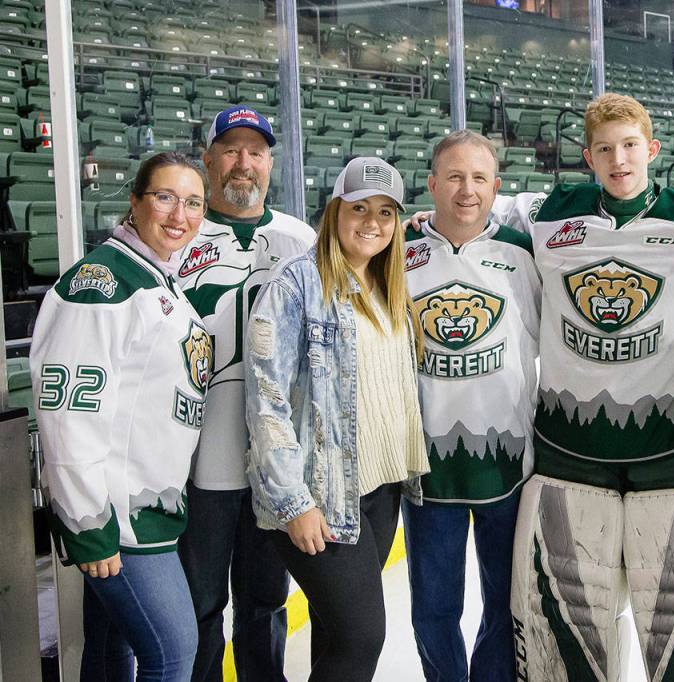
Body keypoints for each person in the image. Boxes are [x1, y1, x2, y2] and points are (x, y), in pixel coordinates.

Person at [406, 94, 674, 680]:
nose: (619, 160)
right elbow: (478, 207)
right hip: (568, 460)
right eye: (605, 149)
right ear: (588, 156)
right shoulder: (550, 212)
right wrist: (421, 223)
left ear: (653, 149)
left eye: (631, 146)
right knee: (571, 633)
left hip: (672, 463)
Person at [245, 157, 429, 682]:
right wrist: (293, 502)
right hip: (318, 494)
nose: (373, 222)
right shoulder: (296, 285)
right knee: (361, 638)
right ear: (334, 211)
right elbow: (266, 400)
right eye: (360, 208)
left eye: (387, 212)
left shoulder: (389, 285)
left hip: (379, 488)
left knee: (333, 635)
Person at [31, 152, 213, 681]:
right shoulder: (104, 284)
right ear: (134, 203)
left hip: (144, 511)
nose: (180, 214)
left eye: (193, 203)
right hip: (118, 519)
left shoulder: (157, 280)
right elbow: (69, 414)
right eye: (165, 197)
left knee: (111, 656)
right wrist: (88, 522)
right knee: (174, 652)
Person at [176, 105, 315, 682]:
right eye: (230, 150)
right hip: (200, 460)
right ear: (208, 160)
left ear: (270, 163)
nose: (243, 163)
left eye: (255, 152)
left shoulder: (300, 239)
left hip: (271, 462)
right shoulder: (178, 235)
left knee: (264, 602)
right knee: (200, 605)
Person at [402, 130, 541, 681]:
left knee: (506, 604)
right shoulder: (398, 254)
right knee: (434, 609)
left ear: (496, 187)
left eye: (479, 178)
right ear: (432, 184)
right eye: (454, 177)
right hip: (427, 468)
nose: (466, 190)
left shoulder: (523, 253)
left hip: (508, 464)